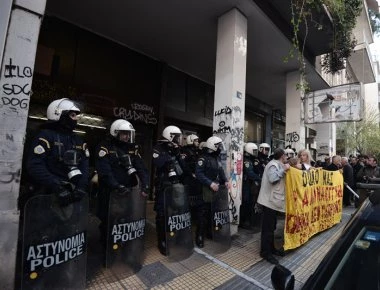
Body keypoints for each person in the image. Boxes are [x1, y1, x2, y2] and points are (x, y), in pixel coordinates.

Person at [95, 119, 149, 245]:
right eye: (124, 133)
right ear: (116, 132)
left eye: (129, 134)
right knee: (108, 222)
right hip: (110, 192)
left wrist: (145, 185)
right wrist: (116, 185)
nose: (127, 136)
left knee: (126, 220)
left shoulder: (132, 148)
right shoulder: (105, 147)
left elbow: (141, 168)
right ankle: (107, 251)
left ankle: (124, 249)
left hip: (127, 192)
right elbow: (104, 171)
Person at [26, 98, 89, 206]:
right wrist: (56, 186)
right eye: (72, 115)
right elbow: (35, 165)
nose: (75, 119)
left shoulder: (77, 139)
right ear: (59, 114)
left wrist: (81, 187)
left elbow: (84, 165)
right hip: (48, 194)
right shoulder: (45, 136)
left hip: (73, 195)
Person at [152, 125, 186, 255]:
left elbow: (183, 167)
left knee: (175, 213)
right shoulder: (158, 148)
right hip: (163, 186)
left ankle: (174, 237)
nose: (178, 140)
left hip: (176, 186)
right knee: (161, 214)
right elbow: (159, 162)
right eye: (176, 137)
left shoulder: (177, 150)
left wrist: (177, 153)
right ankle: (162, 241)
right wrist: (169, 153)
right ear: (169, 136)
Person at [257, 148, 290, 264]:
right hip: (268, 202)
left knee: (272, 227)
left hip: (273, 202)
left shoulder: (277, 164)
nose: (287, 157)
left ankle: (271, 249)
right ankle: (265, 252)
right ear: (282, 156)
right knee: (268, 229)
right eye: (286, 155)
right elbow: (272, 179)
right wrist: (283, 171)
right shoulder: (273, 165)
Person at [195, 136, 229, 242]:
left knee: (212, 212)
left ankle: (210, 232)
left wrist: (225, 180)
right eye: (218, 146)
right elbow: (198, 174)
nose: (219, 148)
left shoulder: (216, 158)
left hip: (214, 189)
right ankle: (199, 236)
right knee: (202, 214)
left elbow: (220, 171)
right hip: (204, 189)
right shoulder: (203, 159)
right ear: (212, 146)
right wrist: (210, 183)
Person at [181, 134, 204, 247]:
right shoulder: (184, 152)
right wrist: (191, 174)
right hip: (189, 186)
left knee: (200, 213)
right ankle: (185, 237)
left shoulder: (198, 152)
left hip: (198, 187)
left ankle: (199, 236)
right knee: (187, 213)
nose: (197, 142)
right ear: (190, 140)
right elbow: (183, 167)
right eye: (195, 140)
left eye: (197, 140)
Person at [240, 142, 261, 230]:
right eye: (254, 151)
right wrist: (259, 178)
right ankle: (244, 222)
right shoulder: (246, 161)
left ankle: (247, 221)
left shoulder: (251, 160)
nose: (256, 152)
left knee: (249, 203)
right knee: (246, 202)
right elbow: (250, 173)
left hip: (249, 184)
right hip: (246, 184)